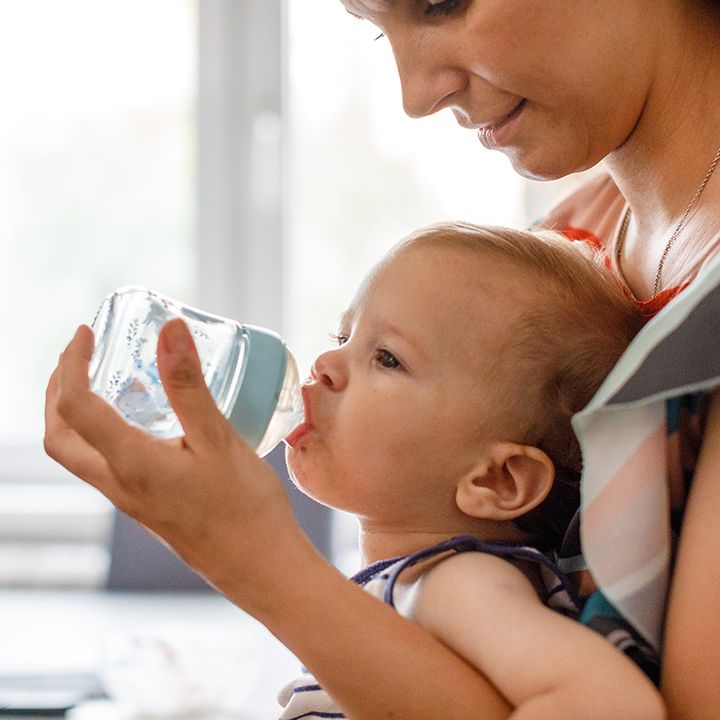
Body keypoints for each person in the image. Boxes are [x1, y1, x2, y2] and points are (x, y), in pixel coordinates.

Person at [45, 1, 720, 717]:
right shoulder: (560, 254)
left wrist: (254, 557)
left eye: (440, 1)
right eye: (376, 28)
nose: (415, 96)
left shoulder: (458, 583)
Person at [48, 222, 661, 720]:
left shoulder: (460, 583)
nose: (325, 363)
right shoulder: (406, 584)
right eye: (343, 335)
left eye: (387, 358)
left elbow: (611, 704)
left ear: (497, 481)